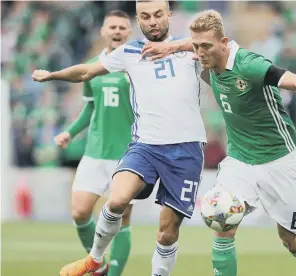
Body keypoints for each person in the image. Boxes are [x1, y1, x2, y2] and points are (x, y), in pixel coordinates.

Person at [144, 9, 296, 276]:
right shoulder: (204, 58)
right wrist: (172, 47)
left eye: (206, 46)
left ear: (224, 42)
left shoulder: (249, 65)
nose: (199, 52)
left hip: (278, 161)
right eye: (195, 46)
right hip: (239, 161)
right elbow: (194, 44)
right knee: (222, 223)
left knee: (293, 241)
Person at [33, 1, 206, 276]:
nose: (153, 22)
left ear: (169, 15)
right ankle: (94, 259)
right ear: (139, 20)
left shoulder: (192, 48)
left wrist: (172, 47)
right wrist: (52, 75)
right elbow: (86, 71)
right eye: (145, 17)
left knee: (167, 233)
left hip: (186, 149)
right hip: (145, 146)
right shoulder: (129, 52)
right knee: (117, 200)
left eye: (158, 15)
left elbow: (220, 45)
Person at [52, 10, 134, 276]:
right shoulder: (91, 67)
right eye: (113, 26)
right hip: (95, 152)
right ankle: (98, 267)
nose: (117, 31)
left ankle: (114, 274)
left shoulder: (136, 68)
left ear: (129, 32)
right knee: (79, 212)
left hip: (127, 154)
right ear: (103, 31)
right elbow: (90, 108)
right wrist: (70, 132)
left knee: (122, 219)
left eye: (122, 27)